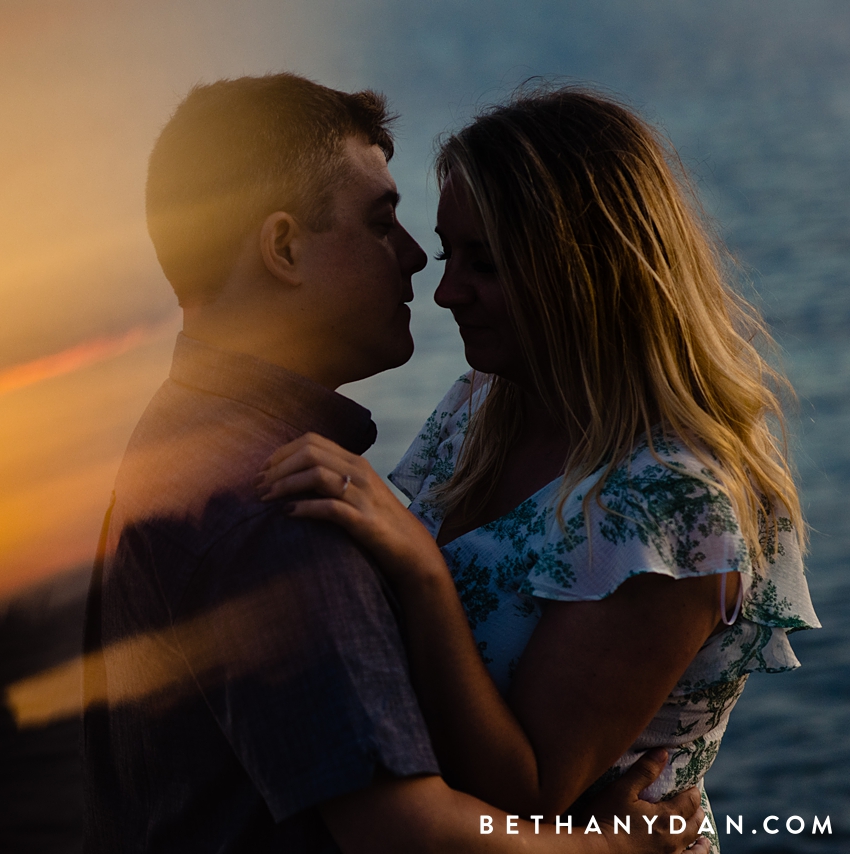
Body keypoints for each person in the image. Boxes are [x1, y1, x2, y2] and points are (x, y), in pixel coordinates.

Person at [84, 73, 708, 854]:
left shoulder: (187, 435)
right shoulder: (283, 512)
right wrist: (609, 848)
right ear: (282, 246)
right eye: (384, 224)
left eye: (479, 260)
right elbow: (406, 838)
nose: (421, 266)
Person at [258, 86, 819, 853]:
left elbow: (526, 792)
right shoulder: (479, 407)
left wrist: (421, 573)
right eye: (451, 254)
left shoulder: (673, 502)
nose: (447, 291)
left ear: (587, 267)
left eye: (485, 264)